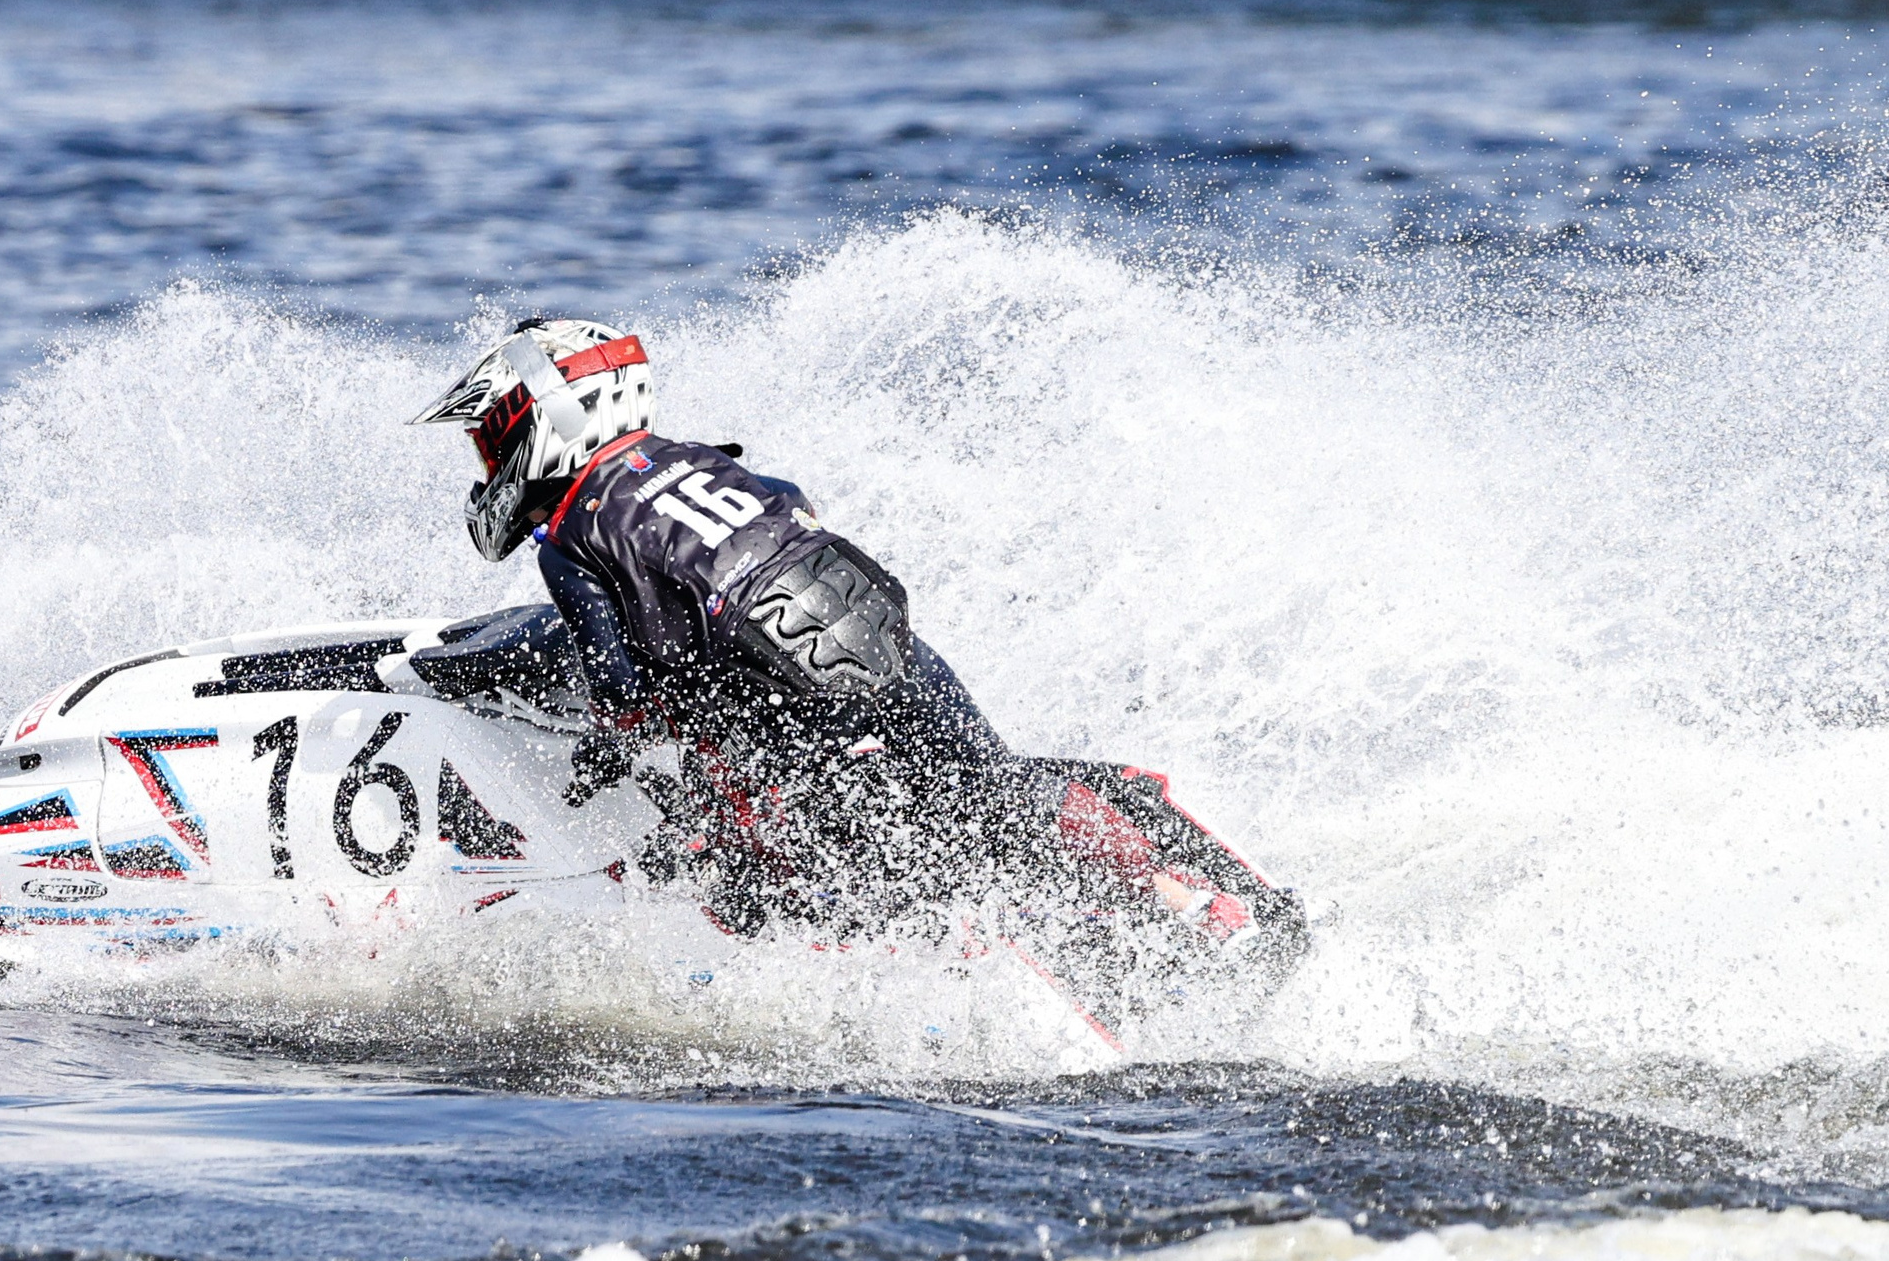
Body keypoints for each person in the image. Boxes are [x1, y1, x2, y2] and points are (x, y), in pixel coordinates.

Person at [411, 317, 1264, 950]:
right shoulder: (702, 457)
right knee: (984, 790)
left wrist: (610, 748)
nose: (492, 466)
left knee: (784, 873)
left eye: (494, 441)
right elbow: (796, 502)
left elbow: (626, 694)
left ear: (553, 418)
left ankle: (1010, 940)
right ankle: (1182, 884)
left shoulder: (569, 536)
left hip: (783, 702)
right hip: (884, 638)